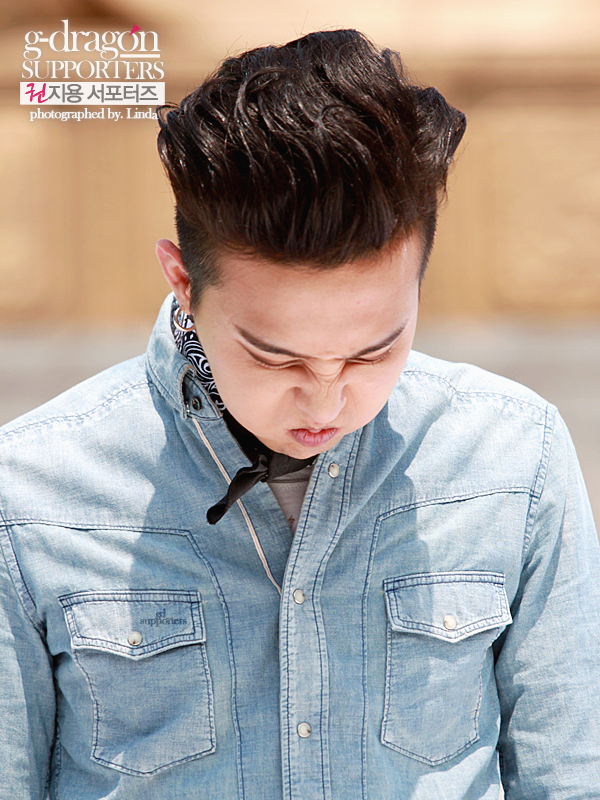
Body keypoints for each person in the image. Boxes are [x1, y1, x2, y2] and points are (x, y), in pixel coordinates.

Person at [0, 28, 599, 800]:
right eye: (275, 358)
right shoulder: (29, 494)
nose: (326, 400)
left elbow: (572, 777)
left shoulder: (515, 458)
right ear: (183, 281)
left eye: (373, 351)